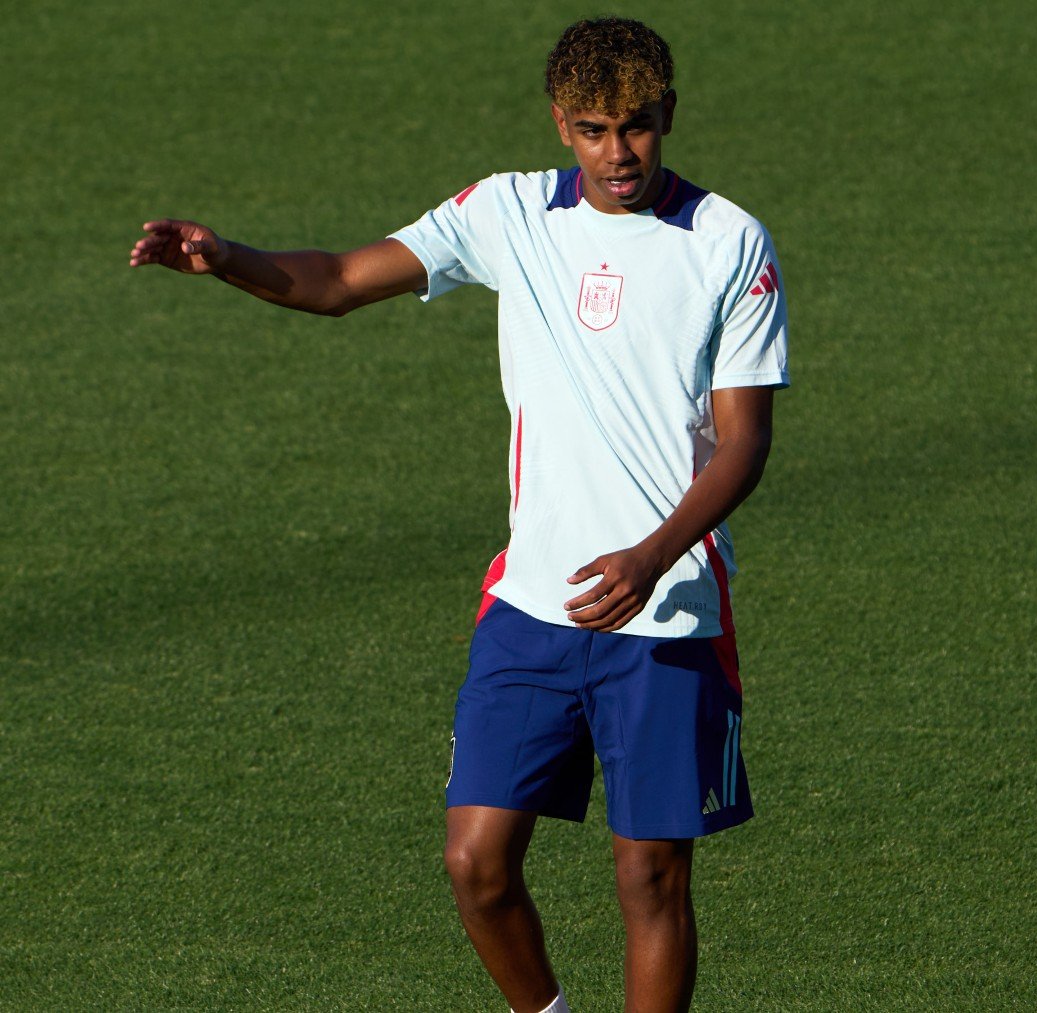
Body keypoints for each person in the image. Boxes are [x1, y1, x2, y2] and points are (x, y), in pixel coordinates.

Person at [129, 17, 787, 1013]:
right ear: (563, 125)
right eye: (597, 130)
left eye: (640, 128)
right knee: (475, 859)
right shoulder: (508, 212)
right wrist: (228, 259)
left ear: (670, 116)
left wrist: (653, 554)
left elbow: (744, 441)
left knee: (649, 876)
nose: (620, 154)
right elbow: (341, 281)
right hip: (530, 604)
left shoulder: (729, 243)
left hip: (665, 609)